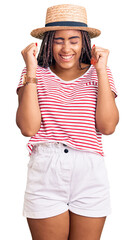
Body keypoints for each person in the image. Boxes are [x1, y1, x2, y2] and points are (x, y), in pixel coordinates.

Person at [16, 4, 119, 240]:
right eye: (58, 40)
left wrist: (101, 70)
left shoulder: (100, 73)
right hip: (46, 168)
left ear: (84, 42)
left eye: (73, 40)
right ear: (47, 42)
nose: (66, 48)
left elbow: (108, 127)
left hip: (89, 170)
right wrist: (31, 69)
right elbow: (28, 128)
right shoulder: (33, 73)